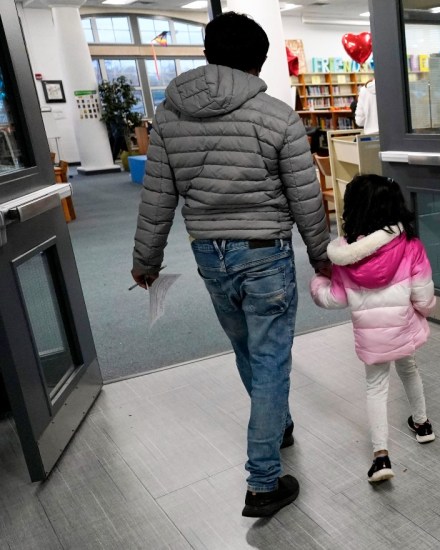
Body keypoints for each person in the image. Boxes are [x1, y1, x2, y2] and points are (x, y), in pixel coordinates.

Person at [130, 12, 331, 518]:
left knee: (247, 349)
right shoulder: (277, 115)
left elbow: (157, 197)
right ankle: (263, 482)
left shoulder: (169, 117)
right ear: (259, 61)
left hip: (209, 254)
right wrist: (323, 255)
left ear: (207, 54)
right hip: (265, 252)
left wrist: (146, 260)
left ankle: (277, 424)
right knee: (269, 358)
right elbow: (306, 197)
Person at [309, 174, 436, 483]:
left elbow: (335, 298)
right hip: (403, 328)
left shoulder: (345, 256)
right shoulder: (410, 246)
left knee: (375, 389)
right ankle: (422, 425)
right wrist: (423, 312)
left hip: (372, 339)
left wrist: (318, 283)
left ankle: (381, 457)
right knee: (409, 369)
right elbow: (424, 297)